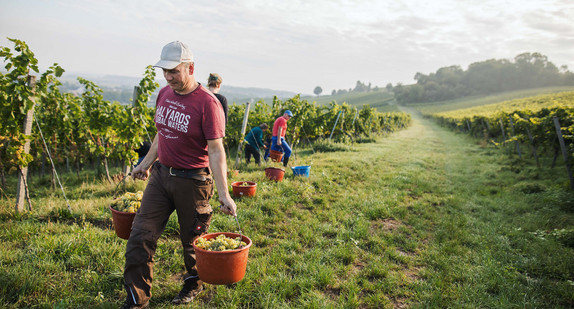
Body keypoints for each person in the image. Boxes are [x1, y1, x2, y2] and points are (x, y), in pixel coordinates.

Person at [121, 41, 237, 309]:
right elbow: (163, 132)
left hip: (193, 181)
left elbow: (216, 151)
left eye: (174, 71)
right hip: (161, 177)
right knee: (140, 235)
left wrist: (224, 194)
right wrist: (147, 163)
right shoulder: (164, 94)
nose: (169, 77)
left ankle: (193, 282)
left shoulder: (208, 104)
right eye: (165, 71)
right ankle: (136, 300)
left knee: (192, 242)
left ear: (191, 68)